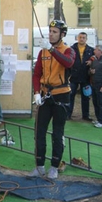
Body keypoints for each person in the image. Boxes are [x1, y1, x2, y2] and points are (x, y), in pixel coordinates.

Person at [30, 20, 75, 179]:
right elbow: (36, 74)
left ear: (62, 34)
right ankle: (39, 166)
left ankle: (54, 166)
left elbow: (68, 63)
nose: (50, 34)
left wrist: (52, 49)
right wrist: (36, 92)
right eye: (50, 31)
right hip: (44, 95)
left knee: (57, 133)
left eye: (54, 32)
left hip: (61, 95)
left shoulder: (68, 50)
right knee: (39, 132)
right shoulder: (43, 52)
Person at [67, 32, 95, 120]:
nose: (82, 39)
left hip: (85, 77)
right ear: (77, 38)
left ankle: (85, 116)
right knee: (70, 96)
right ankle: (68, 115)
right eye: (80, 37)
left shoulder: (91, 50)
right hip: (73, 77)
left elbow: (96, 57)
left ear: (86, 39)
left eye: (83, 37)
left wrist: (91, 61)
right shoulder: (72, 49)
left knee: (86, 97)